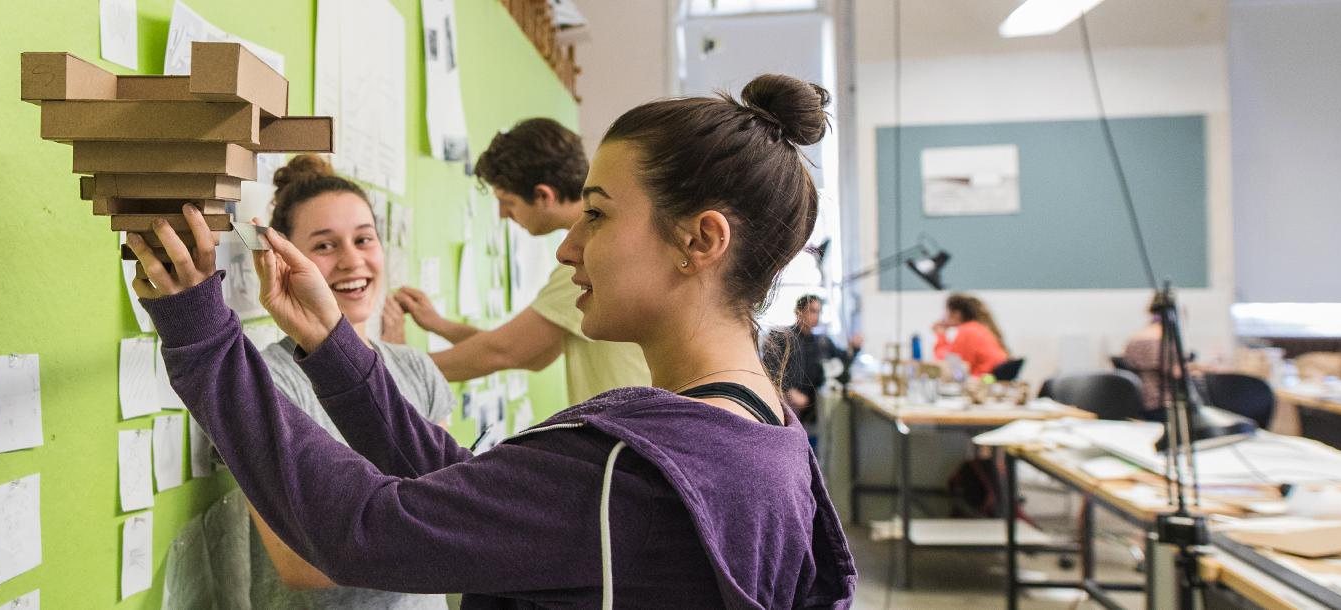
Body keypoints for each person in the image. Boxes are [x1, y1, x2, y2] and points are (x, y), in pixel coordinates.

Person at [125, 73, 856, 607]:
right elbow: (463, 489)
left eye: (596, 216)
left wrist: (201, 333)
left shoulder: (632, 470)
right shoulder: (758, 431)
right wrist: (332, 345)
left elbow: (364, 527)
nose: (568, 249)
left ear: (700, 240)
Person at [245, 154, 457, 609]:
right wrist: (451, 542)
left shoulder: (418, 369)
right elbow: (298, 563)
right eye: (324, 246)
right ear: (285, 260)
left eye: (364, 239)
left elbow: (449, 507)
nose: (351, 260)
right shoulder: (271, 380)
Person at [390, 118, 651, 404]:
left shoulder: (590, 259)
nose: (503, 214)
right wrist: (440, 325)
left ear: (543, 196)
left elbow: (504, 351)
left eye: (508, 202)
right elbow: (535, 355)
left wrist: (391, 371)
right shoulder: (595, 250)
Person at [762, 294, 861, 423]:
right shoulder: (782, 338)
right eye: (812, 311)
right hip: (788, 406)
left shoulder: (822, 342)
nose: (816, 316)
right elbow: (770, 366)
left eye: (819, 312)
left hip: (814, 406)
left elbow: (843, 358)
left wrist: (854, 348)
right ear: (799, 312)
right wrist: (789, 391)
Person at [932, 293, 1009, 377]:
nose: (943, 317)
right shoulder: (976, 327)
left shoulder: (967, 331)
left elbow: (953, 365)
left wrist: (941, 336)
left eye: (946, 312)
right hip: (989, 377)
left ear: (956, 314)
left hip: (984, 379)